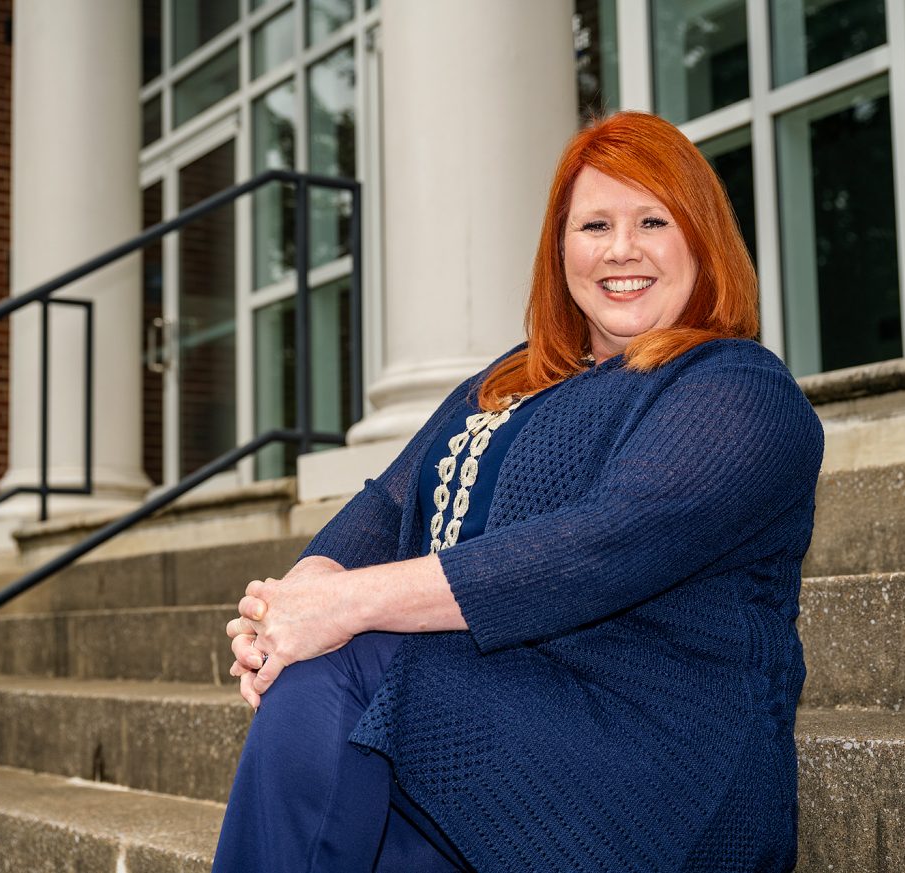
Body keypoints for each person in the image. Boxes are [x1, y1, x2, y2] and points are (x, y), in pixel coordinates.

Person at [211, 111, 824, 872]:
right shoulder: (514, 377)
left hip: (652, 767)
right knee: (323, 686)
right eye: (594, 225)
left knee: (350, 666)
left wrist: (344, 608)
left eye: (652, 221)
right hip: (485, 736)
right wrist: (291, 603)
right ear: (560, 249)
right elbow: (388, 503)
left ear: (701, 239)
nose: (621, 249)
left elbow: (600, 546)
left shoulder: (737, 386)